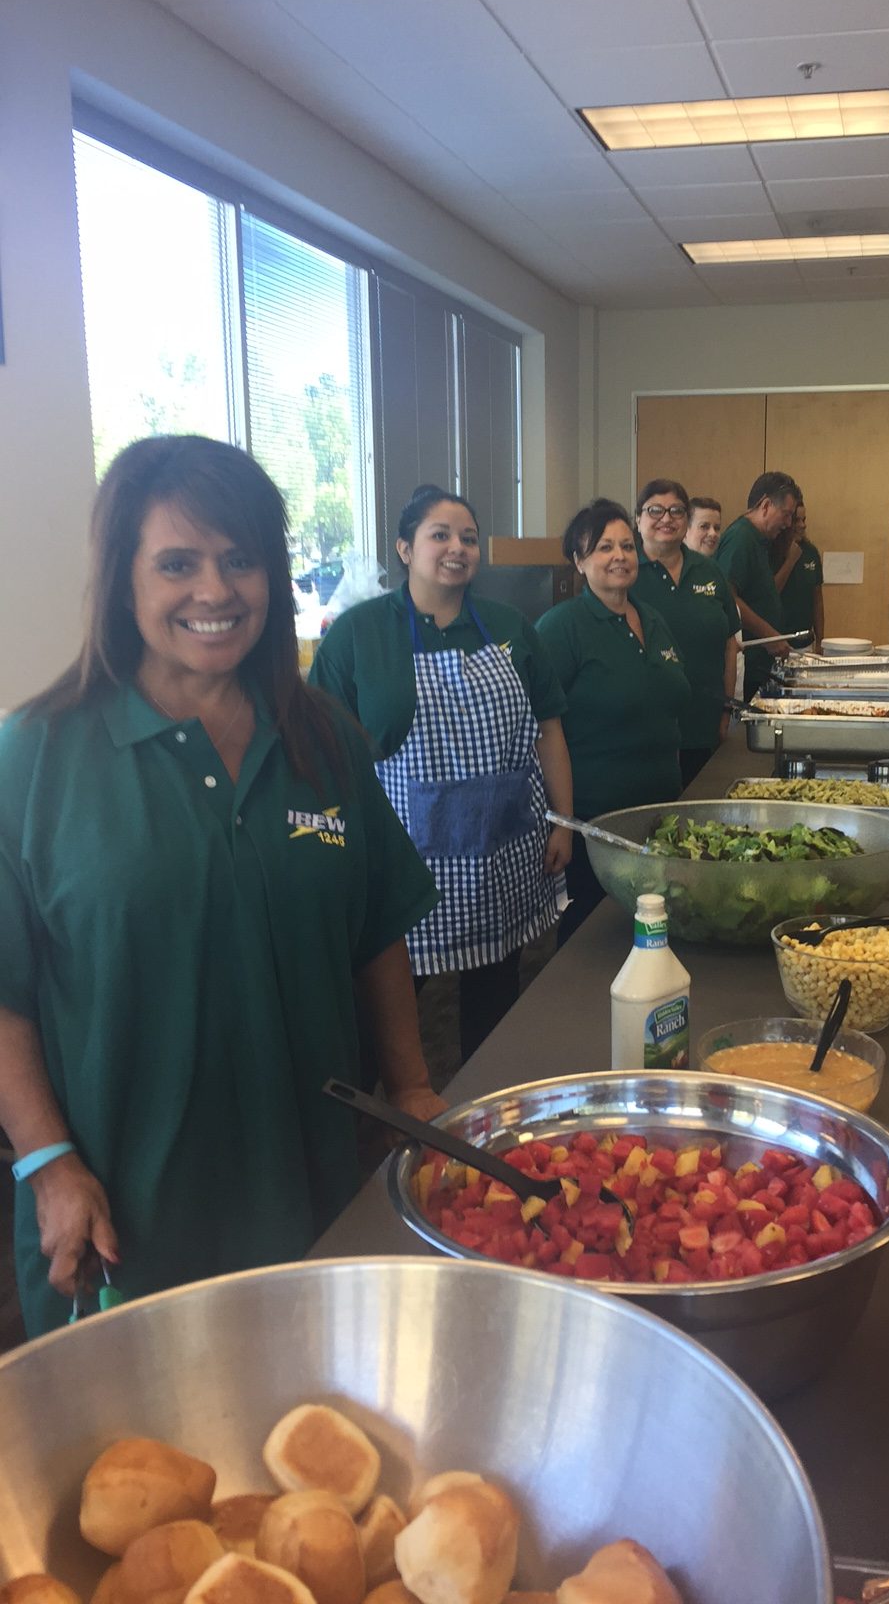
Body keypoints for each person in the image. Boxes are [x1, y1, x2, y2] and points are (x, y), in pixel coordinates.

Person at [0, 435, 444, 1338]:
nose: (214, 592)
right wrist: (48, 1165)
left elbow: (375, 932)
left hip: (314, 1192)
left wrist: (414, 1091)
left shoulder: (323, 736)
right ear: (122, 580)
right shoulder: (35, 756)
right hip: (125, 1223)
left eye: (240, 560)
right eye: (177, 564)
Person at [310, 485, 573, 1063]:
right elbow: (320, 751)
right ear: (405, 549)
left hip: (501, 849)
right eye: (440, 535)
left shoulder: (510, 626)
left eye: (469, 538)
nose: (457, 548)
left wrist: (564, 822)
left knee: (496, 1002)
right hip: (403, 857)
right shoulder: (360, 634)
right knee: (388, 1012)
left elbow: (548, 729)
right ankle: (376, 1119)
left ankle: (491, 1097)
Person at [536, 500, 690, 945]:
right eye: (604, 547)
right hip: (595, 822)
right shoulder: (561, 628)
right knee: (591, 936)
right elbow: (543, 730)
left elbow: (669, 701)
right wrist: (561, 821)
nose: (619, 555)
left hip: (659, 812)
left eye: (626, 545)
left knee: (652, 925)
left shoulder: (652, 618)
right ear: (579, 561)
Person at [631, 479, 740, 787]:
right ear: (638, 519)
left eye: (676, 510)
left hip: (705, 725)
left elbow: (729, 644)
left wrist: (726, 711)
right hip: (645, 732)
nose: (666, 518)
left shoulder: (710, 570)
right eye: (655, 510)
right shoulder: (626, 574)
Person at [715, 471, 800, 702]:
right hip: (748, 664)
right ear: (765, 505)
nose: (789, 523)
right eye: (786, 515)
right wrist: (769, 636)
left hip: (761, 663)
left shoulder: (759, 540)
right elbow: (727, 599)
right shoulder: (740, 538)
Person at [771, 491, 825, 647]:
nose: (803, 525)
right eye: (797, 520)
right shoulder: (771, 551)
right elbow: (770, 594)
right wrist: (790, 560)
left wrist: (820, 642)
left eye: (804, 519)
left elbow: (817, 601)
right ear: (785, 521)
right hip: (777, 643)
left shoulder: (810, 552)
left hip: (806, 643)